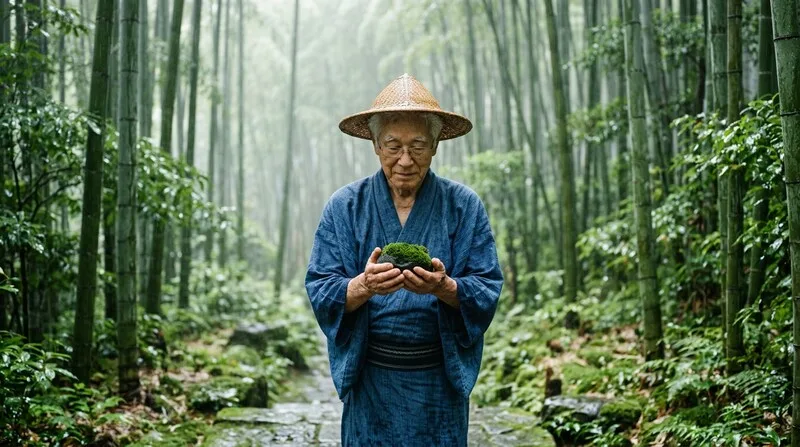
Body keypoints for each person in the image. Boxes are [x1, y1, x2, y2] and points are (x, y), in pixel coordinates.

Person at [305, 73, 503, 446]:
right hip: (371, 381)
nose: (405, 159)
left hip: (437, 384)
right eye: (393, 145)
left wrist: (446, 288)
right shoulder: (345, 207)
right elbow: (320, 285)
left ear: (435, 147)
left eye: (418, 145)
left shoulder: (464, 206)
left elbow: (487, 284)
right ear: (376, 146)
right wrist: (362, 286)